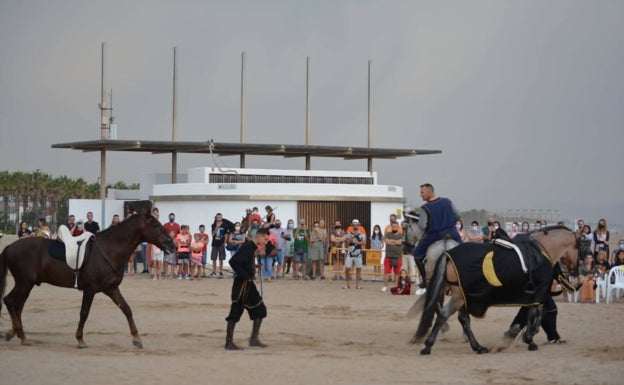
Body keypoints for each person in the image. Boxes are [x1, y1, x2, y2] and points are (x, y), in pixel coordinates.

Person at [225, 228, 270, 350]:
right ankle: (229, 342)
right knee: (235, 313)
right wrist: (245, 275)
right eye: (265, 239)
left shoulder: (252, 248)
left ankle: (254, 339)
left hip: (249, 285)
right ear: (259, 236)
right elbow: (233, 262)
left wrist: (254, 266)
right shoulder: (247, 247)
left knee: (260, 309)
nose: (265, 242)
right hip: (241, 285)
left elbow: (244, 262)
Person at [412, 183, 462, 291]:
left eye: (422, 192)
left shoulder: (425, 208)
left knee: (416, 254)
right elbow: (458, 215)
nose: (421, 195)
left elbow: (422, 226)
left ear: (430, 192)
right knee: (465, 252)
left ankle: (425, 280)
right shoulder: (447, 201)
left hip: (434, 236)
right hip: (452, 233)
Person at [381, 221, 402, 293]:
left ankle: (396, 286)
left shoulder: (401, 235)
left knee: (397, 273)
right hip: (388, 256)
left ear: (398, 227)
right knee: (386, 272)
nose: (394, 227)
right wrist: (396, 242)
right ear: (391, 227)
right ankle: (384, 286)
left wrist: (392, 241)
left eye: (395, 226)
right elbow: (387, 242)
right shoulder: (387, 234)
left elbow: (400, 242)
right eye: (393, 226)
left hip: (398, 256)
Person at [343, 223, 366, 290]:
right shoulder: (349, 234)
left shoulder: (362, 234)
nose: (355, 226)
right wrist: (351, 238)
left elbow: (363, 243)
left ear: (358, 226)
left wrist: (357, 242)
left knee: (358, 269)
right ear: (352, 226)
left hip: (358, 254)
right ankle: (347, 285)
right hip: (350, 253)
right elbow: (347, 242)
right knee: (347, 268)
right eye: (354, 225)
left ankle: (357, 285)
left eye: (357, 225)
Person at [210, 213, 229, 277]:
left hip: (221, 243)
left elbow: (226, 234)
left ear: (222, 217)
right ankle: (214, 271)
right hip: (214, 243)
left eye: (220, 217)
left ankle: (220, 271)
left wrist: (225, 242)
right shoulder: (213, 225)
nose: (219, 218)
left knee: (221, 258)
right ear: (216, 218)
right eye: (218, 217)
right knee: (214, 258)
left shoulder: (225, 225)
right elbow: (212, 234)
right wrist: (216, 228)